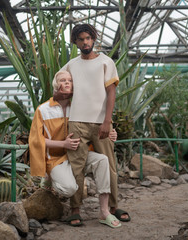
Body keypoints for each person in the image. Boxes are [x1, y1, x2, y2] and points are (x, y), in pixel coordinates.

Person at [57, 23, 131, 223]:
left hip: (101, 123)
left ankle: (113, 207)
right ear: (75, 42)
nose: (85, 42)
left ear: (94, 39)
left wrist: (107, 121)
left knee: (110, 165)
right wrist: (61, 93)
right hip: (77, 123)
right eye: (80, 39)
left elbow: (111, 92)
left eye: (88, 38)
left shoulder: (106, 62)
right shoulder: (71, 65)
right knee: (76, 166)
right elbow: (59, 88)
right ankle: (75, 209)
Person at [29, 70, 121, 228]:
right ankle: (51, 178)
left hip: (79, 155)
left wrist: (111, 132)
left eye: (70, 80)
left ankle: (104, 211)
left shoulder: (80, 109)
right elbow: (36, 140)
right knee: (69, 188)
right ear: (55, 85)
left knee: (103, 160)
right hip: (56, 160)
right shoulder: (43, 110)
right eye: (62, 80)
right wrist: (63, 144)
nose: (66, 83)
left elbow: (93, 129)